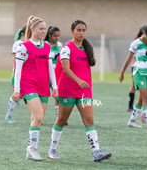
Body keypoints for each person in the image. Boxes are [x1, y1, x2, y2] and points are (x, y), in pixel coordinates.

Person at [48, 20, 112, 162]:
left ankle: (96, 152)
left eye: (83, 30)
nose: (81, 33)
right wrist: (78, 81)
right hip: (67, 90)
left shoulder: (86, 48)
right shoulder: (66, 48)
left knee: (89, 120)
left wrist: (83, 83)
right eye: (79, 30)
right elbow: (65, 68)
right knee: (62, 120)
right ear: (72, 31)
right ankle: (52, 149)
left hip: (84, 91)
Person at [13, 15, 58, 161]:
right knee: (38, 117)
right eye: (41, 29)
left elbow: (51, 68)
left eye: (45, 29)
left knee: (36, 119)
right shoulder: (23, 47)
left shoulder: (47, 47)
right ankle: (32, 149)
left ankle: (31, 150)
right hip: (28, 85)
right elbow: (17, 70)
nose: (44, 31)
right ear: (32, 29)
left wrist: (55, 87)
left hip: (43, 86)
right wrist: (17, 89)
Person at [119, 24, 147, 129]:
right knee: (146, 97)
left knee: (141, 99)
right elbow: (128, 59)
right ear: (145, 34)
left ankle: (132, 120)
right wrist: (122, 72)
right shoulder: (135, 43)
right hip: (138, 73)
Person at [5, 26, 26, 123]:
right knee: (16, 96)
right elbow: (16, 60)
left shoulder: (35, 44)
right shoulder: (18, 44)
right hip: (19, 73)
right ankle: (8, 115)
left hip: (31, 75)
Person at [44, 26, 63, 117]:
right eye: (55, 36)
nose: (57, 38)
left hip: (56, 74)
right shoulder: (44, 44)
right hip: (45, 74)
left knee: (58, 95)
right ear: (50, 36)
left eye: (59, 36)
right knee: (42, 97)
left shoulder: (59, 45)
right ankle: (37, 117)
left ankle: (58, 116)